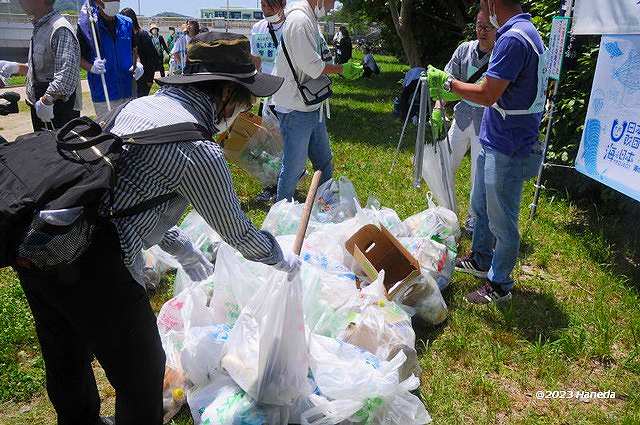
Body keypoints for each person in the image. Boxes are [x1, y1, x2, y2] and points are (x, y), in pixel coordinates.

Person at [13, 31, 293, 425]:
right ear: (226, 94)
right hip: (96, 266)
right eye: (246, 99)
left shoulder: (139, 107)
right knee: (142, 376)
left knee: (65, 355)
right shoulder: (199, 151)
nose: (244, 111)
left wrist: (178, 245)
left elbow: (125, 191)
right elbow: (238, 234)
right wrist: (280, 257)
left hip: (47, 242)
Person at [428, 0, 546, 304]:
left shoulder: (513, 39)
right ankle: (481, 259)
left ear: (493, 3)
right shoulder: (525, 32)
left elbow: (487, 93)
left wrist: (449, 85)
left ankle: (499, 283)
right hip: (497, 137)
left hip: (508, 143)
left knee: (502, 219)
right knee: (480, 202)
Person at [272, 0, 363, 201]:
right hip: (295, 107)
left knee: (324, 162)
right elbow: (311, 65)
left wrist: (338, 66)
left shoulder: (308, 19)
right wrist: (342, 69)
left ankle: (322, 205)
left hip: (311, 104)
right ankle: (281, 212)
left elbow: (321, 56)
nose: (332, 7)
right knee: (294, 167)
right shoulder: (299, 20)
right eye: (331, 1)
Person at [432, 9, 496, 234]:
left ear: (497, 28)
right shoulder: (464, 50)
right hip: (461, 118)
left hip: (486, 123)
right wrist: (439, 108)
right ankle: (444, 210)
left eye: (487, 27)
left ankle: (474, 219)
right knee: (445, 165)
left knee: (478, 177)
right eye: (479, 26)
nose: (482, 31)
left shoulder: (501, 55)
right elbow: (445, 82)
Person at [0, 0, 80, 131]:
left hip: (56, 109)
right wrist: (16, 67)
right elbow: (44, 68)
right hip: (41, 105)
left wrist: (46, 100)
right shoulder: (41, 27)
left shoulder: (59, 29)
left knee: (56, 150)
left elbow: (66, 76)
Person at [78, 0, 143, 121]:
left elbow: (134, 49)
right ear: (98, 2)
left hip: (128, 89)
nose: (114, 2)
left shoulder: (127, 23)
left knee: (130, 130)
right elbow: (77, 57)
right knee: (109, 132)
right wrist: (91, 67)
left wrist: (138, 63)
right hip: (104, 92)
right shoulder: (89, 25)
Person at [250, 0, 287, 203]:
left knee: (286, 140)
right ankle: (270, 185)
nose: (266, 10)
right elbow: (256, 61)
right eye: (263, 5)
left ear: (282, 4)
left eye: (270, 5)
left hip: (289, 92)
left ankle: (286, 182)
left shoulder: (292, 25)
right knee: (269, 140)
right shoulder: (258, 28)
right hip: (268, 93)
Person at [120, 8, 156, 97]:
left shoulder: (142, 35)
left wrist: (150, 79)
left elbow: (152, 57)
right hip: (130, 77)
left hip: (143, 78)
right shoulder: (125, 36)